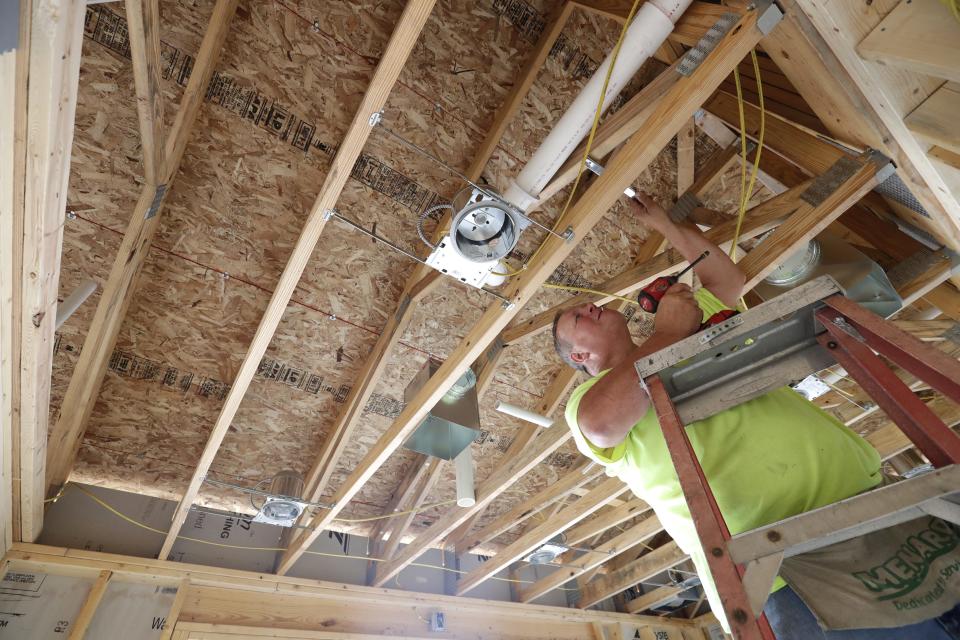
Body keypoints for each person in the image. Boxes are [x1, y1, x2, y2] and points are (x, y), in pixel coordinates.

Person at [551, 192, 959, 639]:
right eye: (576, 316)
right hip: (781, 567)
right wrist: (667, 333)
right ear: (578, 354)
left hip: (882, 509)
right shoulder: (589, 398)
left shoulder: (687, 333)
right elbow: (601, 423)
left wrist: (666, 225)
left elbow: (724, 276)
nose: (589, 305)